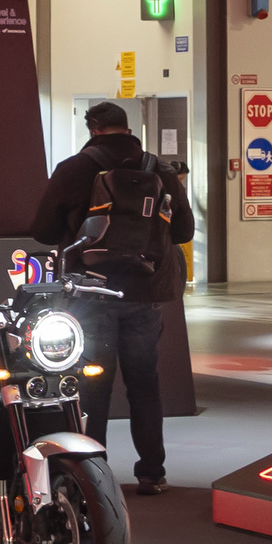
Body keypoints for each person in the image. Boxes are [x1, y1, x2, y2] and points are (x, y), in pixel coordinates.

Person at [32, 102, 194, 496]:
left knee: (93, 386)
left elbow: (42, 229)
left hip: (91, 292)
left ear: (93, 129)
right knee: (144, 383)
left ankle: (93, 477)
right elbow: (184, 230)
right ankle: (152, 473)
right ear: (128, 128)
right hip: (145, 292)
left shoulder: (75, 169)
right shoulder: (160, 170)